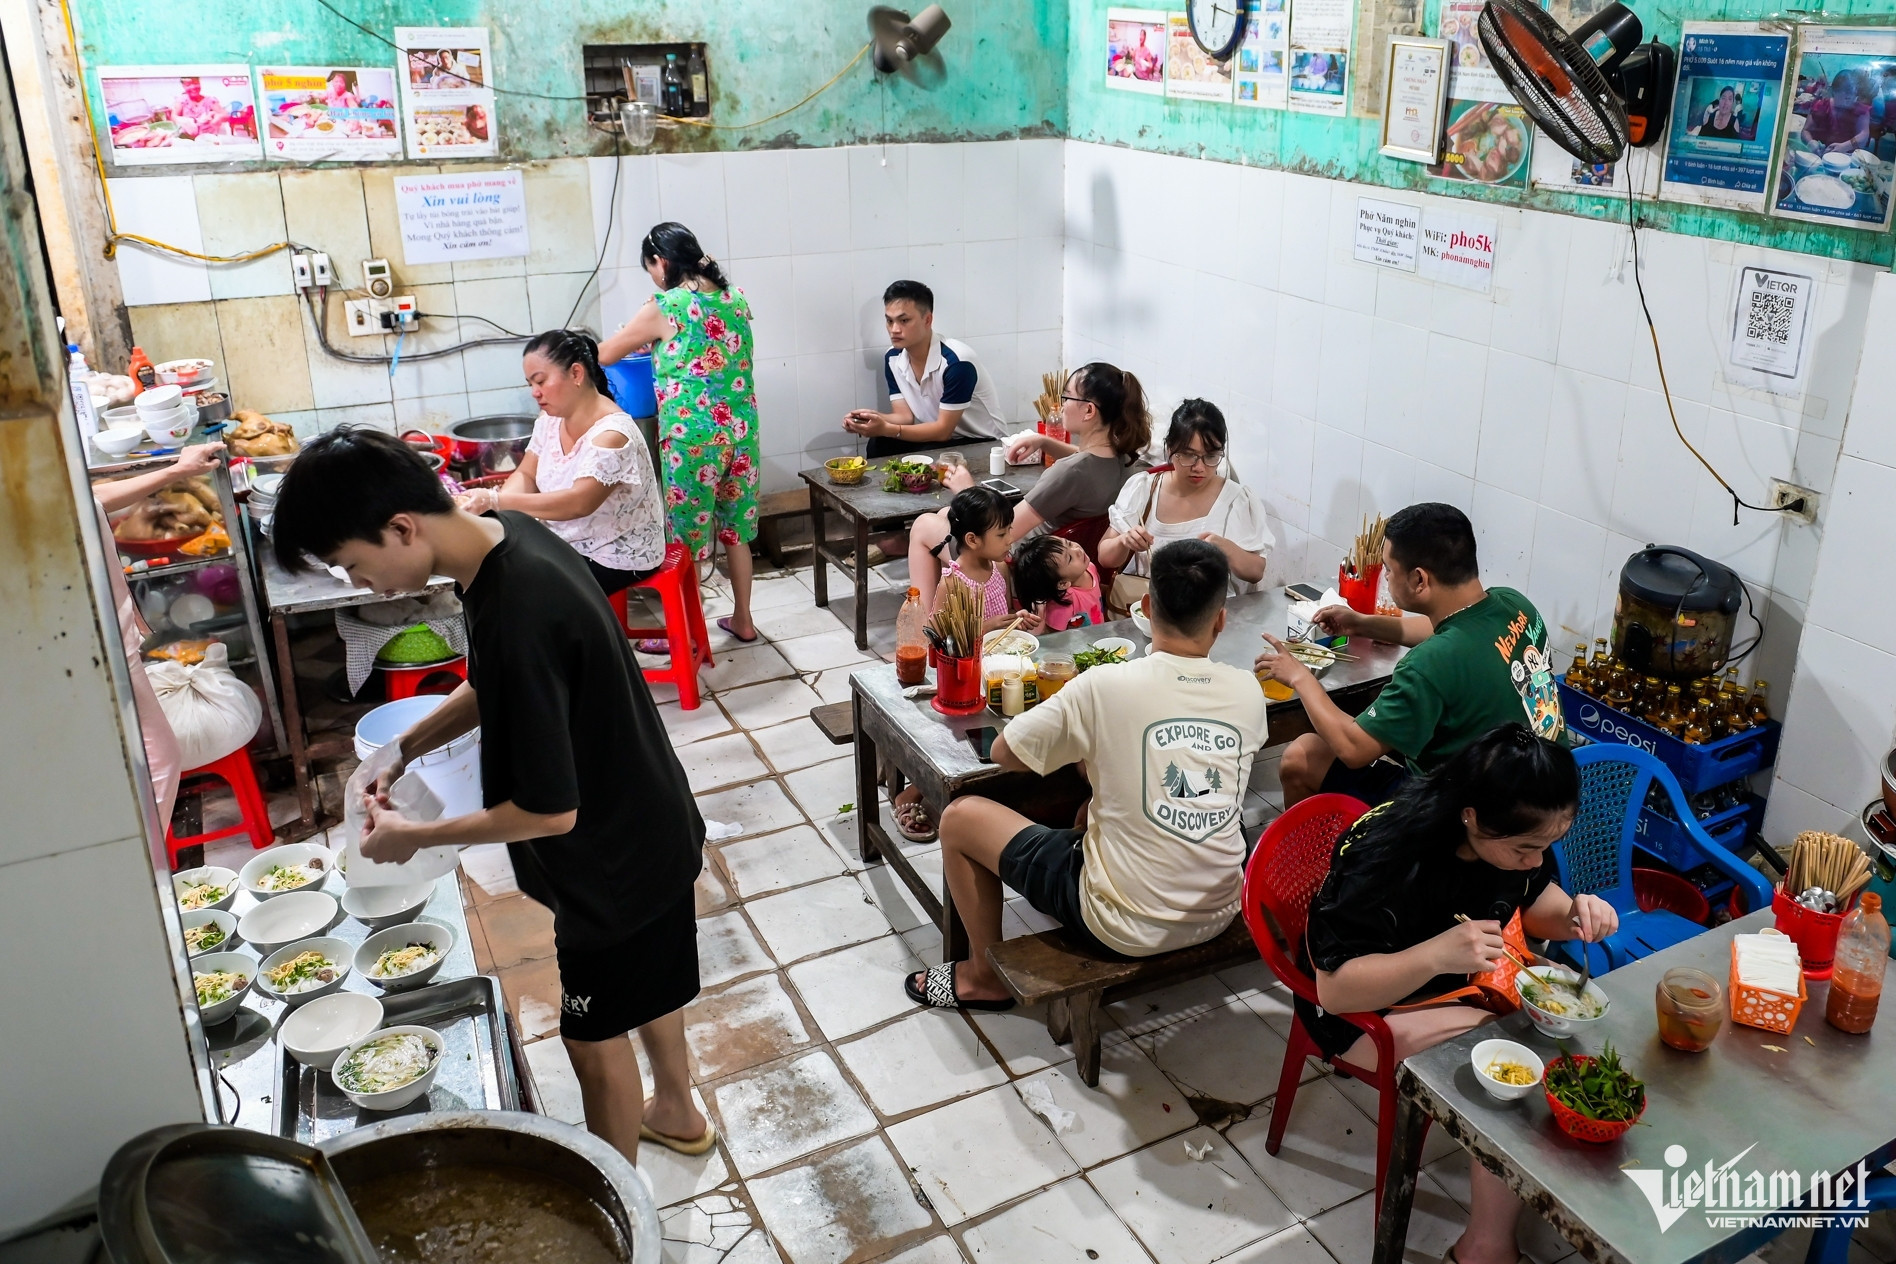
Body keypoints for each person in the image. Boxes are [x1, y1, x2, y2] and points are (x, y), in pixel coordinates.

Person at [267, 428, 710, 1165]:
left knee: (592, 1038)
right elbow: (494, 680)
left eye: (353, 565)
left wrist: (415, 837)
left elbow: (548, 812)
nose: (360, 586)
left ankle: (618, 1207)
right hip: (650, 820)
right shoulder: (507, 538)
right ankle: (677, 1110)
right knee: (652, 979)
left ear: (400, 527)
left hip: (609, 860)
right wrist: (403, 747)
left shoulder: (520, 607)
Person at [1299, 724, 1617, 1264]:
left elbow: (1533, 897)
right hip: (1362, 1013)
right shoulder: (1389, 852)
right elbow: (1334, 991)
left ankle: (1529, 1192)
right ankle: (1485, 1248)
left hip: (1455, 986)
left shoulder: (1505, 838)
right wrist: (1435, 956)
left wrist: (1576, 916)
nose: (1536, 861)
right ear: (1472, 816)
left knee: (1557, 1044)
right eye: (1524, 848)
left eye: (1547, 847)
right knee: (1506, 1071)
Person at [905, 540, 1269, 1009]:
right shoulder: (1245, 688)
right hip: (1218, 909)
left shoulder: (1103, 685)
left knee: (959, 817)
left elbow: (1003, 750)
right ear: (1221, 620)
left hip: (1123, 925)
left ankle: (983, 977)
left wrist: (1081, 728)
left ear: (1148, 607)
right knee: (1101, 806)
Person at [1255, 502, 1565, 808]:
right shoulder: (1513, 603)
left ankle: (1319, 855)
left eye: (1389, 570)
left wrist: (1299, 675)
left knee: (1302, 756)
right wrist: (1361, 623)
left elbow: (1353, 748)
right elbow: (1442, 632)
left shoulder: (1429, 665)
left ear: (1419, 579)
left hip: (1459, 817)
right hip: (1541, 792)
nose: (1386, 578)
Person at [600, 221, 761, 643]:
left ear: (662, 261)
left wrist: (642, 337)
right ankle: (743, 619)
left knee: (685, 542)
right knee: (736, 532)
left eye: (650, 267)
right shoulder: (736, 298)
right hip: (742, 435)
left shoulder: (666, 305)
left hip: (694, 441)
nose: (652, 276)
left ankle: (686, 633)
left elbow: (603, 354)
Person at [907, 362, 1150, 610]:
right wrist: (1045, 442)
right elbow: (1088, 459)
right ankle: (952, 613)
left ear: (1088, 411)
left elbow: (1001, 528)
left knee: (923, 526)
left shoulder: (1069, 473)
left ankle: (925, 629)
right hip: (1069, 564)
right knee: (944, 515)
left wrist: (967, 491)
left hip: (1019, 564)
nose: (1062, 405)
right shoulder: (1127, 460)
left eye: (1066, 397)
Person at [455, 331, 666, 603]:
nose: (535, 392)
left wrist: (496, 499)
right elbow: (527, 473)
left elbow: (578, 503)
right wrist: (499, 515)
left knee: (520, 594)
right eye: (530, 383)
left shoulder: (612, 434)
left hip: (614, 554)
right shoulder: (551, 419)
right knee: (484, 572)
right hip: (566, 541)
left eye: (541, 381)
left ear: (576, 374)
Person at [93, 441, 227, 832]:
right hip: (97, 645)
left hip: (112, 637)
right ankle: (138, 875)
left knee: (156, 758)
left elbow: (89, 499)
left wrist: (177, 471)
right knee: (157, 759)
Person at [1100, 399, 1272, 597]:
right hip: (1146, 607)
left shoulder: (1235, 500)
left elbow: (1256, 572)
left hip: (1206, 615)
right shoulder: (1144, 488)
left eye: (1211, 456)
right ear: (1170, 449)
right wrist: (1124, 541)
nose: (1199, 467)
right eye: (1188, 455)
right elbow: (1105, 557)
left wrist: (1227, 548)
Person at [842, 280, 1007, 458]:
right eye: (889, 321)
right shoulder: (893, 358)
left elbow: (943, 431)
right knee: (880, 443)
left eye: (904, 320)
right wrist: (870, 419)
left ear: (927, 320)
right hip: (942, 441)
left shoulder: (957, 362)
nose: (894, 329)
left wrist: (887, 429)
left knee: (921, 455)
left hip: (984, 445)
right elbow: (904, 417)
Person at [1010, 534, 1105, 632]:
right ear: (1063, 584)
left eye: (1069, 543)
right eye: (1070, 558)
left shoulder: (1089, 567)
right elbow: (1054, 637)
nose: (1077, 550)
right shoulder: (1065, 601)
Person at [1802, 68, 1874, 155]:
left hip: (1847, 156)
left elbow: (1864, 135)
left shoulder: (1861, 110)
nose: (1849, 96)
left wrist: (1845, 146)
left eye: (1853, 92)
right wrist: (1810, 142)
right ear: (1834, 91)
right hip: (1820, 153)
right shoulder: (1821, 106)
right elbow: (1805, 130)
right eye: (1845, 91)